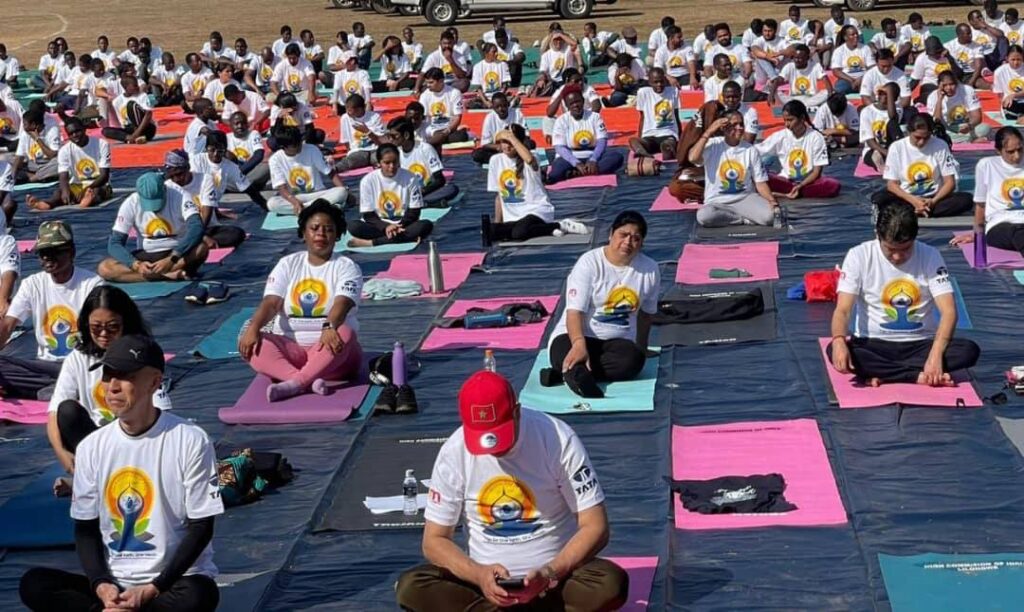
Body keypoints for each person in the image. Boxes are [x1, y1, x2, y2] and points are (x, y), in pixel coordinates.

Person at [19, 334, 223, 612]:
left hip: (169, 584)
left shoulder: (189, 439)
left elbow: (201, 527)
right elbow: (86, 528)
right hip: (115, 587)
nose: (112, 386)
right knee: (34, 584)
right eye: (107, 375)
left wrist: (153, 589)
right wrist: (101, 585)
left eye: (124, 376)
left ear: (153, 382)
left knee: (199, 596)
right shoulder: (92, 446)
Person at [394, 369, 628, 611]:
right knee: (412, 587)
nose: (494, 449)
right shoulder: (454, 451)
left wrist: (550, 573)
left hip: (555, 580)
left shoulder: (556, 438)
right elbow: (434, 540)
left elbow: (595, 525)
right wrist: (479, 575)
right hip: (486, 586)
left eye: (499, 436)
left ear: (517, 412)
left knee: (609, 583)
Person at [829, 202, 980, 387]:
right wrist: (838, 341)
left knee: (969, 351)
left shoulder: (930, 256)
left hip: (920, 344)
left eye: (905, 249)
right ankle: (917, 376)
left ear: (915, 239)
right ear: (878, 236)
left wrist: (935, 354)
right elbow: (843, 310)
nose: (898, 257)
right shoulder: (858, 256)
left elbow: (949, 312)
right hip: (873, 344)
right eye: (891, 250)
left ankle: (883, 373)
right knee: (835, 350)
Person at [45, 285, 172, 496]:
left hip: (137, 439)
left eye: (112, 328)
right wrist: (62, 453)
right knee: (67, 410)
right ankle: (96, 478)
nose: (104, 335)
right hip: (99, 443)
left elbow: (160, 412)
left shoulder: (143, 355)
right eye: (96, 328)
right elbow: (55, 411)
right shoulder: (78, 358)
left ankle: (94, 482)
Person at [239, 200, 363, 402]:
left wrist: (329, 326)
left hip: (334, 357)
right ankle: (305, 381)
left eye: (328, 230)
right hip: (292, 354)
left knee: (345, 332)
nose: (321, 234)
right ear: (304, 233)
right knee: (252, 340)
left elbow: (343, 303)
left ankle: (296, 383)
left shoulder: (346, 266)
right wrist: (253, 328)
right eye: (314, 228)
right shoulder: (288, 264)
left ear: (337, 235)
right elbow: (271, 302)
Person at [545, 210, 658, 398]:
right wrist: (579, 344)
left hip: (614, 344)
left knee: (633, 360)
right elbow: (574, 312)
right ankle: (578, 376)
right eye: (623, 235)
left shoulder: (650, 269)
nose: (628, 242)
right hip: (575, 335)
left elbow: (646, 315)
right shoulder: (589, 263)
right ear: (611, 234)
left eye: (635, 238)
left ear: (642, 243)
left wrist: (643, 347)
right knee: (562, 350)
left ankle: (569, 372)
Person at [0, 221, 103, 399]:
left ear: (71, 252)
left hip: (82, 363)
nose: (47, 258)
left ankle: (62, 389)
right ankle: (64, 389)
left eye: (53, 252)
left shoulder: (92, 285)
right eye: (43, 253)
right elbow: (7, 326)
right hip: (46, 367)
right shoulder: (33, 284)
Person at [483, 126, 588, 246]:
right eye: (504, 142)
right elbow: (499, 196)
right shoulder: (495, 160)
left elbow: (528, 160)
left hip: (536, 209)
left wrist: (511, 137)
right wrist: (498, 224)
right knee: (490, 231)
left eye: (511, 142)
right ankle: (547, 229)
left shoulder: (533, 157)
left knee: (519, 233)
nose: (507, 146)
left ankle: (560, 225)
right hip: (513, 217)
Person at [98, 171, 210, 283]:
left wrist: (172, 258)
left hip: (176, 252)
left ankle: (157, 274)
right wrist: (135, 264)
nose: (155, 209)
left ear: (165, 189)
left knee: (201, 249)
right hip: (147, 253)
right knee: (104, 268)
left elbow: (196, 227)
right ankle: (166, 275)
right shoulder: (131, 202)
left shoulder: (181, 196)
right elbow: (114, 243)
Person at [873, 113, 972, 219]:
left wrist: (933, 201)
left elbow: (950, 182)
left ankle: (915, 211)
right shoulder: (897, 147)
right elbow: (892, 184)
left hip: (934, 198)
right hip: (907, 198)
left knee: (966, 199)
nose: (921, 142)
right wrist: (914, 201)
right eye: (917, 137)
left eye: (926, 138)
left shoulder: (941, 145)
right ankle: (919, 210)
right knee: (879, 198)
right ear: (909, 132)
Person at [690, 111, 779, 227]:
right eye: (734, 124)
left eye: (741, 124)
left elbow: (760, 183)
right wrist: (709, 131)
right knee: (704, 216)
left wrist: (772, 202)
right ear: (724, 128)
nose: (739, 128)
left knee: (770, 216)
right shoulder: (713, 145)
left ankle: (739, 216)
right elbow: (693, 158)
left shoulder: (750, 150)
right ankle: (741, 219)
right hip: (717, 201)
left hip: (745, 198)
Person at [954, 126, 1024, 258]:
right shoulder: (987, 165)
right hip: (1001, 225)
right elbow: (980, 205)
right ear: (998, 150)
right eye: (1010, 151)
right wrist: (977, 235)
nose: (1017, 156)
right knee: (1019, 233)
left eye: (1020, 150)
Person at [348, 144, 433, 248]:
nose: (392, 166)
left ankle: (372, 243)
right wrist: (386, 227)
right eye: (387, 163)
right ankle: (405, 238)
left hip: (404, 225)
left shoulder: (410, 178)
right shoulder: (368, 181)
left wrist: (398, 227)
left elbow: (414, 211)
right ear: (379, 163)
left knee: (426, 225)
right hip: (378, 226)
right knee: (353, 226)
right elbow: (368, 215)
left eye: (395, 162)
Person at [756, 100, 838, 199]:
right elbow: (756, 151)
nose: (787, 124)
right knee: (761, 177)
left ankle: (790, 193)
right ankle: (790, 193)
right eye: (785, 120)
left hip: (809, 183)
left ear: (802, 118)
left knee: (833, 185)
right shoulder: (780, 136)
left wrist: (800, 186)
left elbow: (817, 172)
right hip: (785, 181)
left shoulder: (816, 137)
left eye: (790, 120)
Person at [184, 134, 261, 239]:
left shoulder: (230, 167)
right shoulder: (197, 161)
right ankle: (198, 235)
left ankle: (199, 232)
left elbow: (249, 189)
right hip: (191, 206)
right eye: (212, 150)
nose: (215, 154)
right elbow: (192, 188)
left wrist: (266, 206)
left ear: (225, 150)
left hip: (208, 210)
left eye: (220, 151)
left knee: (237, 234)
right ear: (206, 148)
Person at [27, 118, 111, 210]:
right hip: (77, 185)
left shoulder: (102, 144)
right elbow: (63, 175)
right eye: (71, 134)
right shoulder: (64, 150)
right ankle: (47, 203)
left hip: (97, 185)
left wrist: (87, 189)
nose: (75, 135)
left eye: (77, 131)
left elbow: (104, 176)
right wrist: (65, 191)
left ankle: (87, 199)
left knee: (96, 191)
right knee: (58, 193)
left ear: (84, 129)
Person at [548, 89, 623, 184]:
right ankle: (588, 172)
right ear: (567, 106)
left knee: (617, 157)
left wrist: (593, 159)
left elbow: (602, 141)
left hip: (593, 155)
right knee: (554, 175)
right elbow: (559, 147)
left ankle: (576, 174)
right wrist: (576, 163)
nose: (575, 105)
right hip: (570, 157)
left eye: (578, 101)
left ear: (583, 101)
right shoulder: (561, 120)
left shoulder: (595, 117)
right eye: (571, 103)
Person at [267, 126, 347, 214]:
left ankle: (305, 209)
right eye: (294, 146)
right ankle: (319, 207)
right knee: (272, 203)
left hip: (318, 194)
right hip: (296, 197)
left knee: (341, 192)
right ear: (283, 147)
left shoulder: (312, 149)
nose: (299, 147)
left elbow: (330, 173)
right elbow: (282, 188)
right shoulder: (275, 159)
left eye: (300, 143)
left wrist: (345, 191)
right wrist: (295, 202)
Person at [389, 117, 460, 207]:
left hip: (426, 191)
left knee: (452, 189)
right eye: (389, 136)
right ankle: (428, 203)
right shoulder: (396, 153)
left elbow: (440, 180)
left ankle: (423, 203)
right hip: (408, 193)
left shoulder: (426, 149)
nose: (391, 140)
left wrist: (421, 191)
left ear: (406, 135)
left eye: (394, 136)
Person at [629, 68, 680, 160]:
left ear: (665, 80)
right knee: (633, 141)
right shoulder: (643, 93)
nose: (659, 85)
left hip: (668, 134)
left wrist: (680, 137)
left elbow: (676, 116)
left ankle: (667, 151)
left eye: (661, 81)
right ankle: (643, 153)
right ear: (649, 82)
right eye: (655, 82)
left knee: (668, 145)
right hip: (649, 136)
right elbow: (642, 117)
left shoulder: (673, 91)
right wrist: (640, 137)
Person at [928, 71, 991, 144]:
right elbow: (936, 121)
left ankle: (963, 140)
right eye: (945, 85)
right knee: (937, 134)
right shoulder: (932, 97)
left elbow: (977, 117)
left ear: (956, 83)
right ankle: (970, 140)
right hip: (947, 128)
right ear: (939, 85)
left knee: (985, 128)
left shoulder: (967, 90)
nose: (949, 88)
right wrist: (939, 99)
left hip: (966, 126)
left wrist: (969, 126)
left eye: (951, 84)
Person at [418, 67, 468, 150]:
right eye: (427, 83)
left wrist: (448, 130)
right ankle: (433, 141)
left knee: (461, 136)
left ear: (441, 81)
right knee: (433, 134)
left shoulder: (454, 93)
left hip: (448, 129)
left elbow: (457, 117)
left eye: (431, 82)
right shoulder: (424, 95)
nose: (428, 85)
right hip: (432, 130)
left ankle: (430, 143)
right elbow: (423, 117)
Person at [770, 43, 830, 111]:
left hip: (811, 98)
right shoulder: (789, 66)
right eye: (795, 57)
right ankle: (803, 107)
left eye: (800, 58)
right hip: (793, 99)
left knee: (828, 92)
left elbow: (825, 79)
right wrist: (771, 94)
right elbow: (778, 80)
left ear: (807, 58)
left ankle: (798, 108)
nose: (797, 60)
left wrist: (830, 95)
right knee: (773, 89)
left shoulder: (816, 66)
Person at [860, 83, 904, 175]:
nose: (880, 96)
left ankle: (897, 157)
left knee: (892, 123)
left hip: (891, 145)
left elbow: (892, 117)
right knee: (875, 155)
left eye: (885, 94)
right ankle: (881, 165)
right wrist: (885, 152)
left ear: (893, 98)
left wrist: (890, 93)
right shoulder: (867, 111)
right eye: (880, 93)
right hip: (874, 148)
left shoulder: (898, 110)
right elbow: (869, 140)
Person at [9, 106, 61, 184]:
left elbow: (52, 155)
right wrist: (12, 176)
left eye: (25, 124)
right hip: (32, 165)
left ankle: (32, 179)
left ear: (33, 125)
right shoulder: (25, 134)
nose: (23, 127)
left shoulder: (52, 130)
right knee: (6, 160)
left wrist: (37, 139)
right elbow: (19, 157)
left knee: (60, 162)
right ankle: (39, 177)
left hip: (48, 164)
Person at [473, 92, 528, 165]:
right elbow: (485, 144)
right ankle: (506, 159)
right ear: (493, 107)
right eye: (497, 107)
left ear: (508, 104)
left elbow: (526, 136)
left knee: (530, 144)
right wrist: (500, 147)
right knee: (477, 154)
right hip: (499, 150)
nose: (501, 109)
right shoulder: (489, 118)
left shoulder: (517, 114)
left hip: (516, 148)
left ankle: (510, 158)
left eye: (504, 106)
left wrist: (514, 146)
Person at [336, 94, 385, 172]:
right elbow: (346, 141)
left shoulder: (375, 117)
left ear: (359, 109)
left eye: (350, 110)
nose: (348, 112)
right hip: (358, 151)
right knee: (350, 161)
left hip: (375, 149)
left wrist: (367, 131)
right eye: (346, 109)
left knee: (382, 159)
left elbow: (380, 142)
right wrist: (351, 151)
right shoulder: (345, 118)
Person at [226, 111, 270, 198]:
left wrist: (241, 171)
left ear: (247, 124)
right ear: (230, 125)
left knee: (267, 166)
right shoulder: (226, 137)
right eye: (236, 124)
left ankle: (237, 187)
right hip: (233, 173)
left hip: (249, 171)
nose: (240, 126)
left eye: (243, 123)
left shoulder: (253, 134)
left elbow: (259, 155)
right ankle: (243, 187)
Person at [103, 75, 156, 143]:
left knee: (131, 105)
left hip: (146, 128)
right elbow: (123, 122)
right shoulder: (117, 101)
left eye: (137, 85)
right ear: (125, 87)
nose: (137, 87)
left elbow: (148, 114)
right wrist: (129, 133)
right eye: (135, 86)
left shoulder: (142, 95)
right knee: (105, 131)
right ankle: (130, 138)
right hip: (131, 128)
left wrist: (135, 134)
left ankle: (135, 137)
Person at [910, 36, 960, 105]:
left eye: (938, 53)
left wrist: (950, 58)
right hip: (931, 84)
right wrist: (904, 94)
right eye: (932, 55)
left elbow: (959, 74)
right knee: (934, 96)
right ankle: (918, 101)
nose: (936, 56)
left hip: (948, 84)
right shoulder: (921, 58)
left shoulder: (950, 54)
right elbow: (915, 80)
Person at [531, 30, 579, 97]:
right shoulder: (546, 55)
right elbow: (543, 71)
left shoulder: (568, 50)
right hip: (554, 82)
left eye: (560, 39)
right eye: (556, 40)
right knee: (542, 84)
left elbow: (574, 44)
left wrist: (561, 35)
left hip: (567, 80)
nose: (558, 42)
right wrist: (541, 79)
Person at [830, 25, 874, 96]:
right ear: (845, 37)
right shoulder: (839, 51)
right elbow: (836, 71)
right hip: (846, 80)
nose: (856, 36)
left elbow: (872, 67)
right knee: (838, 90)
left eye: (856, 34)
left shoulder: (865, 48)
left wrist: (861, 79)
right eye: (852, 35)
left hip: (864, 78)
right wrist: (852, 80)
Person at [945, 23, 986, 91]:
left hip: (971, 75)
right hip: (955, 75)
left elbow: (978, 66)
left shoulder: (977, 46)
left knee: (985, 84)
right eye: (968, 33)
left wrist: (970, 83)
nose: (971, 35)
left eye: (970, 33)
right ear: (959, 35)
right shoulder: (949, 46)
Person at [469, 43, 510, 109]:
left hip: (499, 96)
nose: (496, 54)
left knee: (510, 99)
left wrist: (499, 99)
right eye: (494, 52)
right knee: (470, 104)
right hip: (485, 97)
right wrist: (486, 102)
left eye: (497, 51)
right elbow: (479, 88)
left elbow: (505, 85)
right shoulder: (477, 67)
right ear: (486, 53)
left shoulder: (503, 64)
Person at [993, 44, 1024, 120]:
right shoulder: (999, 72)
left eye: (1018, 59)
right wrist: (1003, 105)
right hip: (1010, 103)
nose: (1016, 62)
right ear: (1007, 58)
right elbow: (999, 94)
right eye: (1013, 59)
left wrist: (1014, 95)